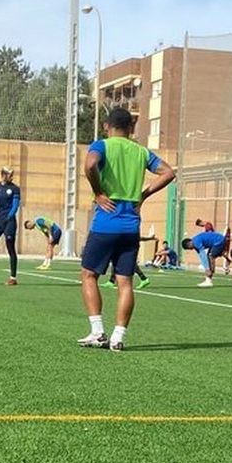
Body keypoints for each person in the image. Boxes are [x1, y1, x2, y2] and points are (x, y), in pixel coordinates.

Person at [77, 106, 175, 351]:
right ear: (131, 129)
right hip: (131, 224)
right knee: (126, 283)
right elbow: (169, 172)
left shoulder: (102, 145)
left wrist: (98, 192)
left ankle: (98, 331)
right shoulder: (141, 151)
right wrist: (143, 195)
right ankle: (118, 337)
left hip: (105, 222)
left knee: (89, 275)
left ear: (106, 126)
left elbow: (90, 165)